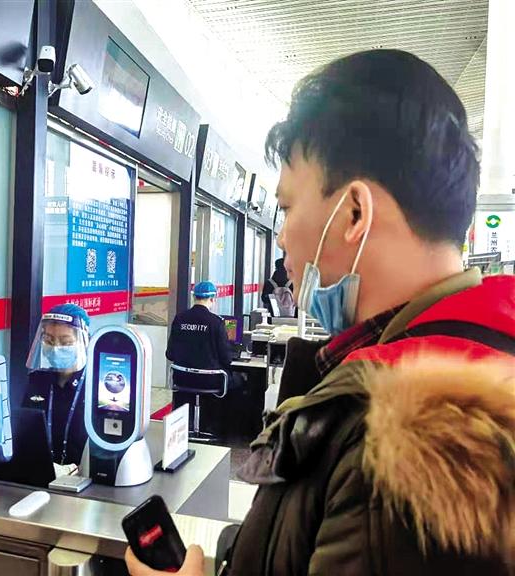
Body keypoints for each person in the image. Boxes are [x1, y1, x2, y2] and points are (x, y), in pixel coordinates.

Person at [127, 49, 514, 576]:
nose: (281, 238)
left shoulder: (414, 442)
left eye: (287, 208)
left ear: (354, 212)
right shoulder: (477, 361)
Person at [23, 303, 90, 468]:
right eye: (49, 340)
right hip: (40, 472)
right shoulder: (37, 380)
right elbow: (24, 431)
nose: (55, 348)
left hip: (85, 474)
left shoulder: (95, 386)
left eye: (65, 342)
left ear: (84, 341)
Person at [165, 281, 236, 435]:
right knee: (238, 381)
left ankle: (186, 428)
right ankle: (215, 429)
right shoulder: (216, 322)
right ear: (213, 299)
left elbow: (170, 354)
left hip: (182, 379)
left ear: (194, 297)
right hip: (210, 382)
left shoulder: (180, 318)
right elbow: (226, 358)